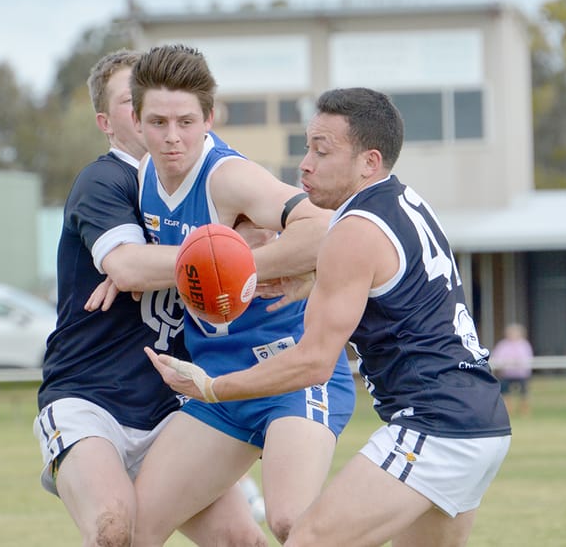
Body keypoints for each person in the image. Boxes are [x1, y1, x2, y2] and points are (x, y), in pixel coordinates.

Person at [147, 86, 511, 547]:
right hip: (480, 420)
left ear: (369, 162)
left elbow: (313, 363)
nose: (305, 164)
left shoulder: (353, 228)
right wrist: (315, 281)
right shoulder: (404, 202)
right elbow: (399, 292)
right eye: (307, 147)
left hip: (437, 424)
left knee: (306, 540)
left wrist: (212, 387)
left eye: (322, 151)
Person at [117, 45, 356, 546]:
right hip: (216, 384)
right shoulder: (141, 179)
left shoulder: (229, 177)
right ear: (136, 121)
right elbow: (139, 263)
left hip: (288, 372)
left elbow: (325, 227)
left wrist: (237, 269)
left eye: (186, 121)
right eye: (157, 122)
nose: (172, 137)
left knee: (291, 521)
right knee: (133, 528)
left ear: (210, 117)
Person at [33, 50, 266, 547]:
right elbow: (129, 265)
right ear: (114, 120)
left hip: (169, 408)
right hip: (90, 397)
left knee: (242, 540)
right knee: (114, 528)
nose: (160, 123)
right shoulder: (106, 179)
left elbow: (272, 232)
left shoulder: (195, 179)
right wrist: (224, 254)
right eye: (132, 102)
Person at [489, 323, 534, 417]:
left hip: (521, 374)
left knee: (524, 393)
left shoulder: (524, 345)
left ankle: (524, 411)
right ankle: (508, 410)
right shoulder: (503, 345)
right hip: (507, 374)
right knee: (504, 392)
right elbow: (497, 357)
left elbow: (527, 358)